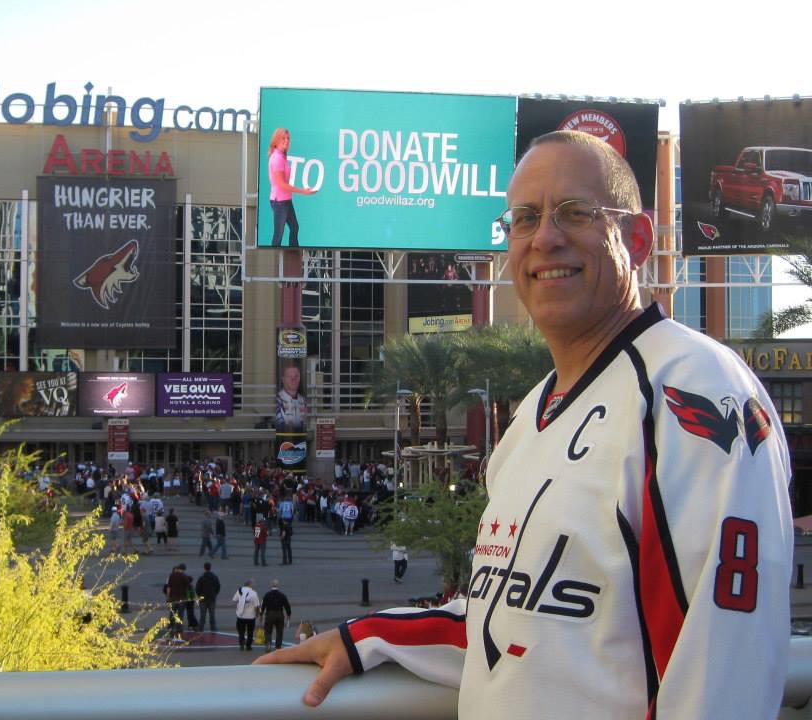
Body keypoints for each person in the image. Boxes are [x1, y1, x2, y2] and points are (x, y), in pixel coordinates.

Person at [256, 130, 794, 719]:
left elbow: (726, 656)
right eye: (524, 218)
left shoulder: (694, 388)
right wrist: (368, 639)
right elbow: (515, 621)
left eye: (575, 212)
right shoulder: (531, 416)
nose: (546, 238)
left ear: (637, 240)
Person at [267, 127, 317, 248]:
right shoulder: (277, 158)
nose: (286, 141)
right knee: (278, 234)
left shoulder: (281, 156)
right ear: (276, 140)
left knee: (294, 227)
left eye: (288, 138)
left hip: (286, 200)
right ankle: (274, 263)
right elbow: (281, 184)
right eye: (283, 138)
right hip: (279, 202)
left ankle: (293, 254)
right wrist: (303, 191)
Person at [259, 579, 292, 652]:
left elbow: (262, 606)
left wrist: (261, 615)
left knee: (268, 631)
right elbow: (287, 606)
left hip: (270, 614)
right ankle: (278, 647)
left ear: (271, 585)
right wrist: (288, 615)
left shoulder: (267, 595)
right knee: (279, 631)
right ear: (278, 585)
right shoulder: (282, 595)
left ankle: (268, 644)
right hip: (279, 614)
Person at [275, 362, 306, 432]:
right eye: (289, 376)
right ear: (283, 379)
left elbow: (306, 424)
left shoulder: (303, 400)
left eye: (296, 376)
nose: (293, 379)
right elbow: (281, 426)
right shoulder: (278, 400)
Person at [164, 563, 191, 642]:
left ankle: (170, 626)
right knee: (180, 614)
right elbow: (188, 587)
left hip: (173, 598)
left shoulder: (172, 576)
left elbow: (169, 587)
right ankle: (179, 628)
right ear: (183, 569)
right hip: (182, 598)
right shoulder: (184, 576)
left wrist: (168, 597)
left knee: (172, 613)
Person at [232, 579, 260, 651]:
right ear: (250, 585)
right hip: (251, 616)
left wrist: (240, 603)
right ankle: (248, 646)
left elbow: (234, 600)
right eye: (252, 584)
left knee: (241, 631)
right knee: (250, 631)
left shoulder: (239, 590)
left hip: (240, 615)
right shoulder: (254, 593)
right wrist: (257, 614)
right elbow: (257, 606)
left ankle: (241, 644)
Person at [195, 562, 221, 632]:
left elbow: (197, 588)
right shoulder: (215, 577)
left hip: (203, 599)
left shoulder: (201, 578)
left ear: (204, 568)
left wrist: (200, 595)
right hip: (212, 598)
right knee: (212, 614)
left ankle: (201, 627)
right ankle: (213, 628)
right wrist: (215, 594)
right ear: (210, 567)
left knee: (202, 615)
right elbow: (218, 587)